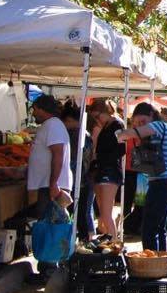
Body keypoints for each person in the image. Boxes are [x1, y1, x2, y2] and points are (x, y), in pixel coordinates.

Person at [116, 102, 167, 251]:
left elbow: (132, 133)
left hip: (164, 182)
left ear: (152, 116)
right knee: (158, 226)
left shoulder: (159, 126)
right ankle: (159, 262)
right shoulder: (156, 129)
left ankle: (150, 261)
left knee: (149, 228)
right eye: (136, 122)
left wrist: (122, 134)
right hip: (161, 181)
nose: (139, 126)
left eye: (143, 122)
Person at [27, 95, 72, 280]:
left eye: (34, 109)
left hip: (51, 185)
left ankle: (49, 271)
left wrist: (54, 183)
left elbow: (58, 155)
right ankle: (47, 269)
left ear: (41, 108)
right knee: (48, 226)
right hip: (48, 184)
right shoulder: (51, 125)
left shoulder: (53, 125)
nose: (33, 113)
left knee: (51, 227)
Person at [89, 99, 125, 239]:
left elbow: (121, 149)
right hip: (102, 169)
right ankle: (108, 241)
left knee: (106, 213)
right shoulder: (105, 125)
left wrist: (103, 159)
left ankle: (115, 242)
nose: (97, 120)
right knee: (102, 214)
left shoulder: (117, 124)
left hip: (110, 171)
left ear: (106, 112)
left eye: (98, 117)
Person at [61, 103, 95, 242]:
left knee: (78, 215)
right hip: (84, 180)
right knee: (81, 215)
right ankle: (83, 243)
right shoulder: (84, 133)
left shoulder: (75, 135)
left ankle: (82, 245)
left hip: (77, 181)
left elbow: (72, 160)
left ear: (69, 120)